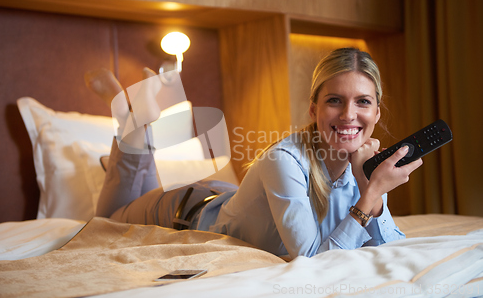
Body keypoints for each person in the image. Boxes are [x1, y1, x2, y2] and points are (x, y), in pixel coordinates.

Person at [86, 48, 422, 259]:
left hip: (226, 196)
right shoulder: (284, 159)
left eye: (362, 101)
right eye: (335, 100)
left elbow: (387, 246)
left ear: (376, 112)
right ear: (313, 108)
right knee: (105, 220)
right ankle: (129, 121)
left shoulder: (362, 163)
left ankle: (134, 118)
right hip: (187, 206)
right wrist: (373, 193)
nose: (349, 115)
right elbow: (311, 258)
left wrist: (370, 191)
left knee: (124, 204)